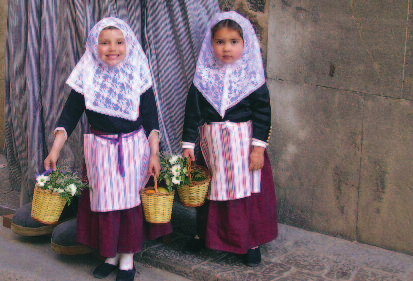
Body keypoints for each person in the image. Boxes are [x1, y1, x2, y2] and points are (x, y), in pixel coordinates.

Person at [44, 17, 162, 281]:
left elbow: (151, 118)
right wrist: (54, 151)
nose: (112, 48)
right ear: (94, 46)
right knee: (106, 205)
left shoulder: (137, 75)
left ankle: (127, 259)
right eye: (105, 42)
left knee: (129, 205)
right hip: (100, 150)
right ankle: (110, 255)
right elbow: (69, 116)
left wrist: (154, 153)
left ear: (128, 45)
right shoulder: (88, 75)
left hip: (133, 147)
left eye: (119, 42)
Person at [182, 11, 278, 267]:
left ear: (244, 44)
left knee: (244, 195)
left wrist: (258, 148)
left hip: (243, 146)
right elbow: (193, 113)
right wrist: (188, 144)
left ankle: (249, 241)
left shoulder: (251, 79)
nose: (227, 48)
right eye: (220, 42)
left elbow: (262, 113)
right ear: (210, 45)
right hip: (213, 146)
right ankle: (207, 236)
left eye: (234, 42)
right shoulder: (203, 78)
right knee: (212, 193)